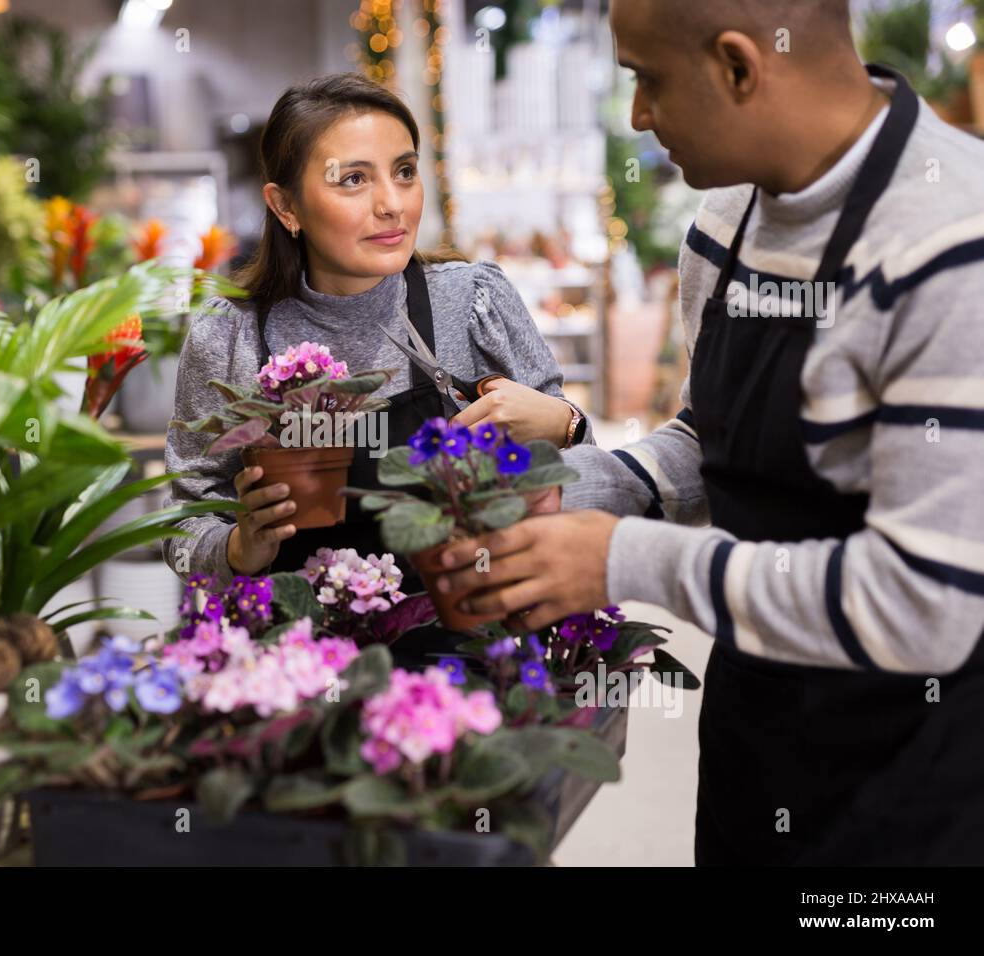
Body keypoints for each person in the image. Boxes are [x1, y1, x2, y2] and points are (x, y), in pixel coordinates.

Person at [432, 0, 984, 864]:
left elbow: (922, 606)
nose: (639, 117)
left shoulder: (955, 241)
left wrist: (619, 560)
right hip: (755, 746)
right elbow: (709, 436)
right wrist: (577, 491)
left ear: (737, 65)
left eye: (647, 80)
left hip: (916, 790)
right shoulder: (725, 220)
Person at [162, 72, 589, 663]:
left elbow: (570, 465)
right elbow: (181, 524)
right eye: (354, 179)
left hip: (461, 653)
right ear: (286, 206)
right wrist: (238, 548)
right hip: (293, 667)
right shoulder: (230, 335)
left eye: (405, 172)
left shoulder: (470, 302)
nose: (391, 203)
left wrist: (567, 424)